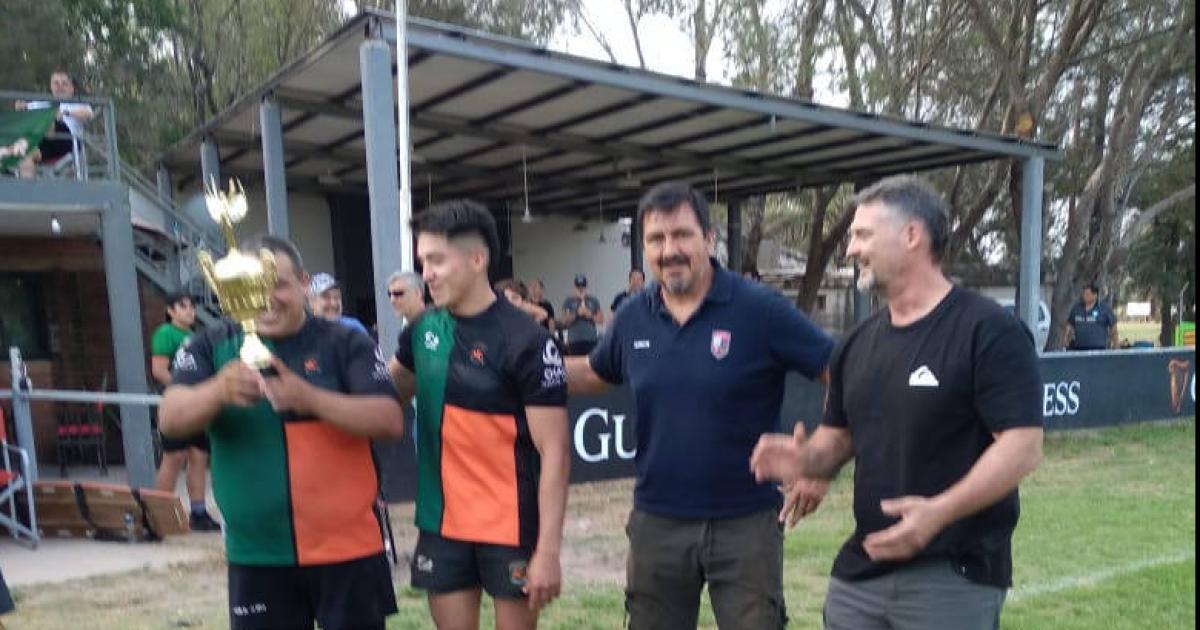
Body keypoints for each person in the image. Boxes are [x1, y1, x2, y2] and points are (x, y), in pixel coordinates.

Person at [751, 175, 1044, 630]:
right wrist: (806, 459)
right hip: (863, 569)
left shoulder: (987, 331)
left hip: (953, 573)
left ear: (911, 235)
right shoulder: (856, 343)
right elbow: (839, 438)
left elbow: (1022, 447)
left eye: (862, 235)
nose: (850, 250)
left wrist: (938, 513)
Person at [565, 181, 835, 629]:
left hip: (746, 523)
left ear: (709, 239)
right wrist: (525, 365)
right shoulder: (633, 316)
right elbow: (595, 373)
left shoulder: (759, 308)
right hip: (657, 522)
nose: (669, 250)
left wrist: (821, 462)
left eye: (681, 235)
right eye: (656, 239)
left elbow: (843, 371)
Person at [159, 235, 404, 630]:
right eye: (251, 286)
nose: (266, 298)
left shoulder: (346, 341)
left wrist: (309, 398)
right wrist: (218, 390)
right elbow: (170, 419)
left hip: (348, 550)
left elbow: (389, 419)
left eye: (278, 284)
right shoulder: (210, 345)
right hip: (257, 556)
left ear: (304, 283)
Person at [387, 200, 569, 630]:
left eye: (436, 260)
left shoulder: (526, 339)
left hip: (511, 525)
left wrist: (548, 551)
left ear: (477, 258)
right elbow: (382, 399)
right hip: (442, 523)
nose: (427, 274)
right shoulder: (422, 330)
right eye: (422, 262)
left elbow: (556, 451)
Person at [149, 292, 220, 532]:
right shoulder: (165, 333)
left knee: (199, 456)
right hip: (177, 405)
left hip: (197, 405)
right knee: (174, 457)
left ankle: (198, 512)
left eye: (191, 306)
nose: (190, 311)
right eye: (183, 306)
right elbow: (159, 369)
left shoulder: (194, 335)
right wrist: (182, 392)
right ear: (170, 310)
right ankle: (159, 513)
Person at [14, 71, 93, 179]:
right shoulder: (42, 103)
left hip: (67, 142)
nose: (60, 87)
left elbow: (89, 114)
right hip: (45, 143)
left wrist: (65, 113)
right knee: (27, 154)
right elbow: (24, 109)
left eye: (64, 83)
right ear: (51, 86)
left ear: (72, 88)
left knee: (49, 116)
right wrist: (20, 107)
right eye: (56, 83)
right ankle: (27, 187)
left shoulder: (78, 103)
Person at [1064, 282, 1118, 350]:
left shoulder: (1104, 309)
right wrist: (1065, 339)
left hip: (1098, 349)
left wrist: (1116, 346)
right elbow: (1069, 326)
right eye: (1083, 294)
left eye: (1087, 294)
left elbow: (1113, 329)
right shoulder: (1076, 308)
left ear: (1095, 295)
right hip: (1078, 348)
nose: (1084, 296)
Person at [560, 274, 604, 356]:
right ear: (574, 288)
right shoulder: (569, 301)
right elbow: (564, 321)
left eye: (583, 287)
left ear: (586, 287)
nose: (581, 289)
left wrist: (589, 315)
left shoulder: (593, 300)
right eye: (578, 287)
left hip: (591, 339)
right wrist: (577, 313)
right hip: (574, 340)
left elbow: (601, 320)